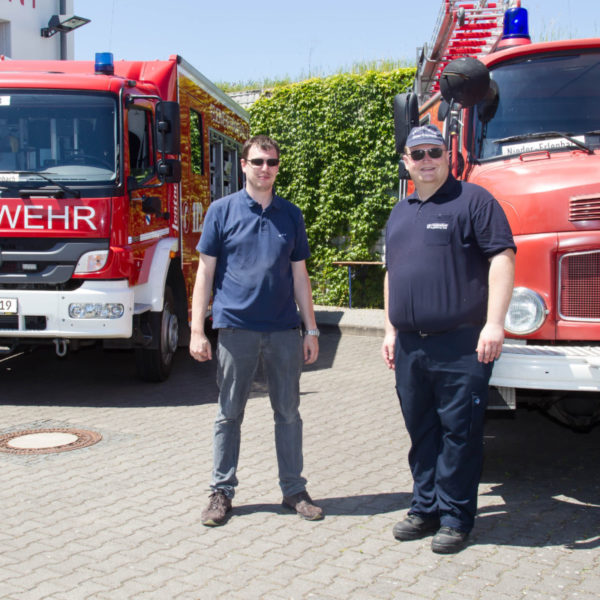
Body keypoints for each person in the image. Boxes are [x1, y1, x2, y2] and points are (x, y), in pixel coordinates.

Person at [381, 124, 516, 554]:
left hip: (461, 344)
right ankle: (425, 508)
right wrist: (388, 329)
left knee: (460, 433)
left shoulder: (474, 201)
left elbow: (502, 259)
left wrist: (494, 324)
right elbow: (392, 273)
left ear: (447, 155)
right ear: (406, 162)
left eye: (433, 152)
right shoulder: (400, 212)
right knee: (422, 432)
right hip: (409, 346)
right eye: (416, 154)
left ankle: (457, 518)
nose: (425, 161)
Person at [190, 134, 323, 527]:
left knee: (288, 413)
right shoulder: (221, 211)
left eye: (272, 162)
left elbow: (300, 275)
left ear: (278, 167)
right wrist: (198, 329)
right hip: (235, 329)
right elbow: (205, 273)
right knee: (229, 414)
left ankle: (294, 490)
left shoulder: (291, 214)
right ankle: (220, 493)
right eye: (259, 161)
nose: (266, 168)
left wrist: (310, 329)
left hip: (283, 330)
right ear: (244, 165)